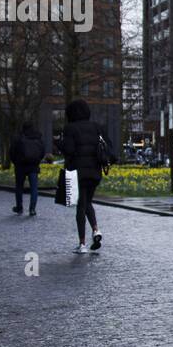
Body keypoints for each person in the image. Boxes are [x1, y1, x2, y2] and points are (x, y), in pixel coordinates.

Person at [56, 99, 113, 254]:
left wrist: (58, 143)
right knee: (87, 202)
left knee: (81, 206)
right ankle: (96, 230)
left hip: (78, 172)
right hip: (95, 172)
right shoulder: (96, 127)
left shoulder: (70, 129)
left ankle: (82, 244)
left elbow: (69, 149)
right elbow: (108, 147)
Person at [8, 121, 46, 217]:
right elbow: (42, 151)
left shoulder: (18, 137)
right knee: (34, 188)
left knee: (19, 187)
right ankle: (32, 209)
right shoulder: (37, 137)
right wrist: (37, 160)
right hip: (33, 165)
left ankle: (19, 207)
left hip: (20, 166)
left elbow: (12, 151)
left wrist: (15, 162)